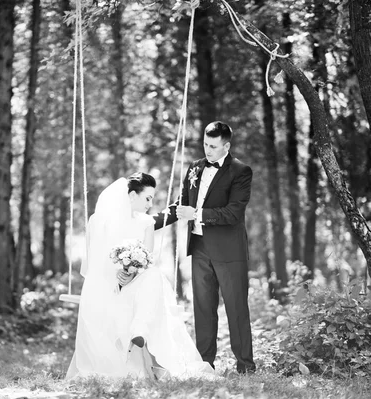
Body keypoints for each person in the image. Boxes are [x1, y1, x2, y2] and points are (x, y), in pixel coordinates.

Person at [66, 173, 214, 379]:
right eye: (147, 198)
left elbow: (148, 260)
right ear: (132, 195)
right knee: (149, 285)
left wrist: (132, 274)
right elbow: (94, 263)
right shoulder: (99, 221)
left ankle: (139, 330)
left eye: (152, 198)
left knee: (153, 275)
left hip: (137, 285)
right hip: (109, 287)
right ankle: (139, 330)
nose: (150, 204)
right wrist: (118, 276)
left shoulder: (146, 223)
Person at [154, 121, 255, 374]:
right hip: (199, 249)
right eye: (205, 144)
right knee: (203, 310)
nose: (207, 150)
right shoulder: (195, 167)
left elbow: (233, 213)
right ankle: (205, 365)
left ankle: (245, 367)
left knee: (236, 310)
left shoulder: (241, 171)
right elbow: (181, 205)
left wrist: (197, 214)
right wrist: (150, 222)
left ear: (227, 146)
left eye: (213, 146)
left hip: (230, 252)